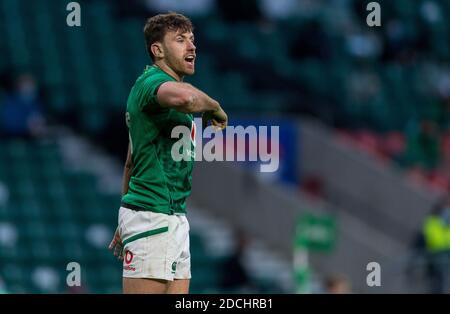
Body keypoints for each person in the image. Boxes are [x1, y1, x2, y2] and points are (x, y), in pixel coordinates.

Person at [108, 12, 228, 294]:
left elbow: (130, 162)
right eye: (180, 39)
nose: (192, 46)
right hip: (151, 215)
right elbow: (187, 99)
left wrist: (123, 217)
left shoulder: (169, 97)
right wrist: (215, 106)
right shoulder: (149, 84)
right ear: (157, 50)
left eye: (193, 40)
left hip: (174, 217)